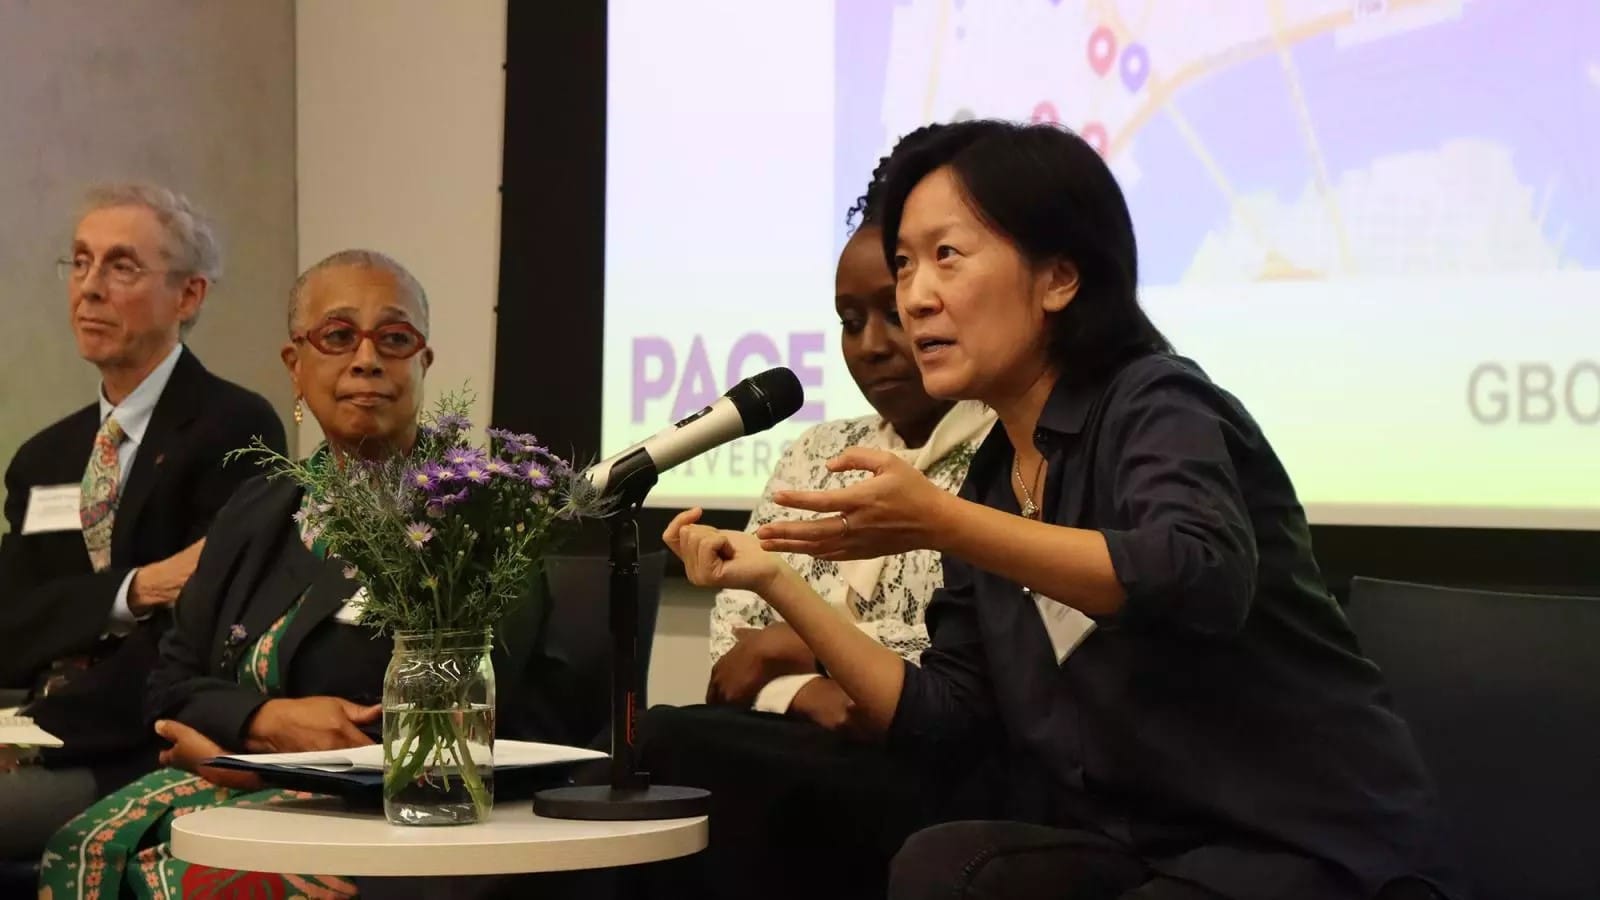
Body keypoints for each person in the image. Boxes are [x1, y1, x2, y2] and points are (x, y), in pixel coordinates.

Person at [663, 121, 1464, 900]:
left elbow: (1197, 573)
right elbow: (946, 717)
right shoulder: (992, 476)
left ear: (1059, 279)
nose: (915, 298)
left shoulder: (1157, 402)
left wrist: (941, 522)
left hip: (1296, 841)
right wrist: (776, 583)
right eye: (905, 265)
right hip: (1136, 841)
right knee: (940, 862)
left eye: (947, 257)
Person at [37, 251, 572, 899]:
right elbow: (170, 683)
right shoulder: (260, 506)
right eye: (338, 336)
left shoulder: (478, 516)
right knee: (81, 848)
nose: (367, 359)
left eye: (394, 339)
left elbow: (458, 720)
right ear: (295, 365)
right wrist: (262, 721)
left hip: (399, 820)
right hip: (230, 792)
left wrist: (257, 766)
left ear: (423, 363)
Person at [633, 130, 997, 900]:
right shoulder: (818, 451)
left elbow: (956, 660)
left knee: (681, 753)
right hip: (806, 741)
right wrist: (804, 693)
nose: (873, 345)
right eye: (849, 320)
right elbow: (733, 654)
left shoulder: (1005, 450)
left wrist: (799, 642)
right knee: (655, 747)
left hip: (940, 763)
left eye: (892, 312)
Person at [0, 184, 285, 859]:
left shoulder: (235, 428)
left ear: (188, 296)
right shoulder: (44, 456)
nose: (89, 288)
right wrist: (136, 588)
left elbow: (203, 635)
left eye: (121, 266)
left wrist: (43, 724)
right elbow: (10, 618)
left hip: (136, 743)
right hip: (26, 724)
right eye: (80, 262)